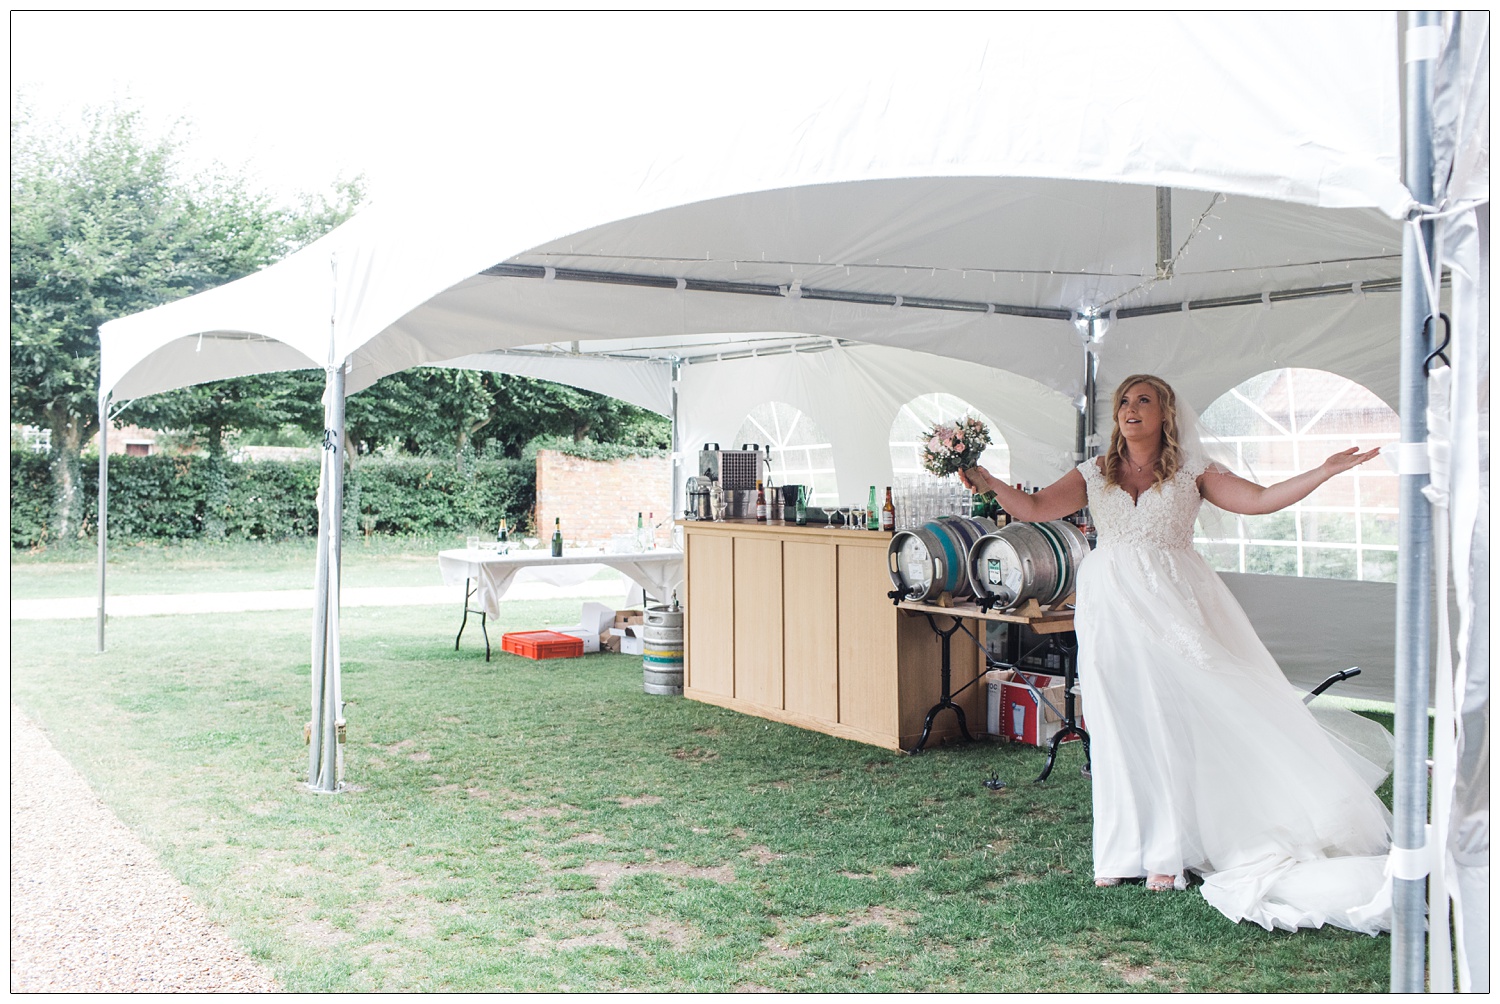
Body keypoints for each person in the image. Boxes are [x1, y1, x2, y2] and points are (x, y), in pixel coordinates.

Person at [959, 374, 1394, 934]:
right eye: (1123, 402)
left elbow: (1258, 501)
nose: (1129, 409)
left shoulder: (1192, 471)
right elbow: (1037, 506)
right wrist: (990, 479)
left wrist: (1323, 470)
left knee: (1171, 718)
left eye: (1143, 401)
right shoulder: (1095, 471)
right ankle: (1119, 852)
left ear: (1165, 413)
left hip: (1175, 603)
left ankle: (1168, 852)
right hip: (1110, 604)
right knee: (1116, 721)